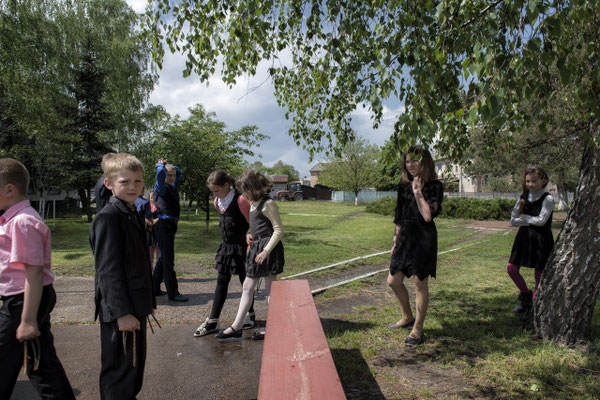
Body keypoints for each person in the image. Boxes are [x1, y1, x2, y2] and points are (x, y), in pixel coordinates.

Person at [0, 158, 75, 399]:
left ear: (9, 190)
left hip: (22, 302)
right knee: (41, 366)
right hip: (22, 299)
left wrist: (28, 320)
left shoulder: (23, 222)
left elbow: (33, 271)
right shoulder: (13, 219)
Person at [89, 153, 156, 400]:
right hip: (121, 311)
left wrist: (144, 303)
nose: (133, 187)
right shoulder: (109, 217)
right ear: (108, 184)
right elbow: (108, 272)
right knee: (119, 376)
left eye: (138, 181)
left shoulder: (130, 212)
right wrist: (122, 313)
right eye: (125, 181)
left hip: (134, 306)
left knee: (132, 372)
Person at [216, 170, 284, 341]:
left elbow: (278, 230)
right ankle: (236, 326)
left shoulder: (268, 204)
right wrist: (248, 232)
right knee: (247, 286)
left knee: (271, 291)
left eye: (245, 190)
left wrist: (266, 251)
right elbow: (254, 224)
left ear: (253, 187)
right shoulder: (253, 203)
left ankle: (274, 328)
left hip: (269, 250)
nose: (243, 194)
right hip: (256, 248)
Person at [387, 146, 443, 347]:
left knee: (420, 283)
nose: (410, 164)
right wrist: (395, 239)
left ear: (425, 162)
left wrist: (418, 192)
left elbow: (428, 215)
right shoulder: (402, 187)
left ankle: (417, 329)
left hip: (423, 238)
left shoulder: (434, 186)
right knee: (393, 281)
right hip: (405, 238)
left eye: (415, 160)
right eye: (407, 161)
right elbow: (399, 217)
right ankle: (407, 316)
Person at [193, 170, 256, 337]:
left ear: (227, 185)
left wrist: (250, 233)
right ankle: (213, 320)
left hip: (243, 248)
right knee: (221, 281)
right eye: (212, 191)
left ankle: (250, 315)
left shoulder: (241, 200)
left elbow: (253, 222)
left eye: (217, 190)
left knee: (246, 283)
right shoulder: (217, 202)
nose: (215, 194)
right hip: (226, 248)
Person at [507, 165, 554, 314]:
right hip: (523, 239)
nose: (530, 184)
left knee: (538, 275)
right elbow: (513, 221)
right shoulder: (522, 198)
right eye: (528, 181)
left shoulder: (548, 199)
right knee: (512, 269)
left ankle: (534, 308)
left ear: (543, 180)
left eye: (534, 181)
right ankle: (526, 296)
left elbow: (542, 221)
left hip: (541, 240)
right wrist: (528, 220)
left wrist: (525, 218)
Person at [152, 159, 187, 302]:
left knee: (164, 258)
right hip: (163, 224)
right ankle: (173, 293)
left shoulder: (172, 186)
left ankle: (154, 288)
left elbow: (179, 172)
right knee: (168, 260)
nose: (171, 177)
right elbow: (160, 172)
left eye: (172, 175)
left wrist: (171, 164)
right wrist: (161, 164)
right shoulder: (161, 187)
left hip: (171, 224)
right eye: (168, 175)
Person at [146, 190, 160, 271]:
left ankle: (158, 271)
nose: (153, 199)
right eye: (151, 197)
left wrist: (155, 220)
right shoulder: (146, 206)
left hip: (158, 233)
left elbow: (163, 216)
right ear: (149, 198)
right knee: (150, 255)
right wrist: (146, 221)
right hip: (149, 233)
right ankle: (150, 271)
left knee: (159, 255)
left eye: (154, 197)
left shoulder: (160, 207)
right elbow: (142, 216)